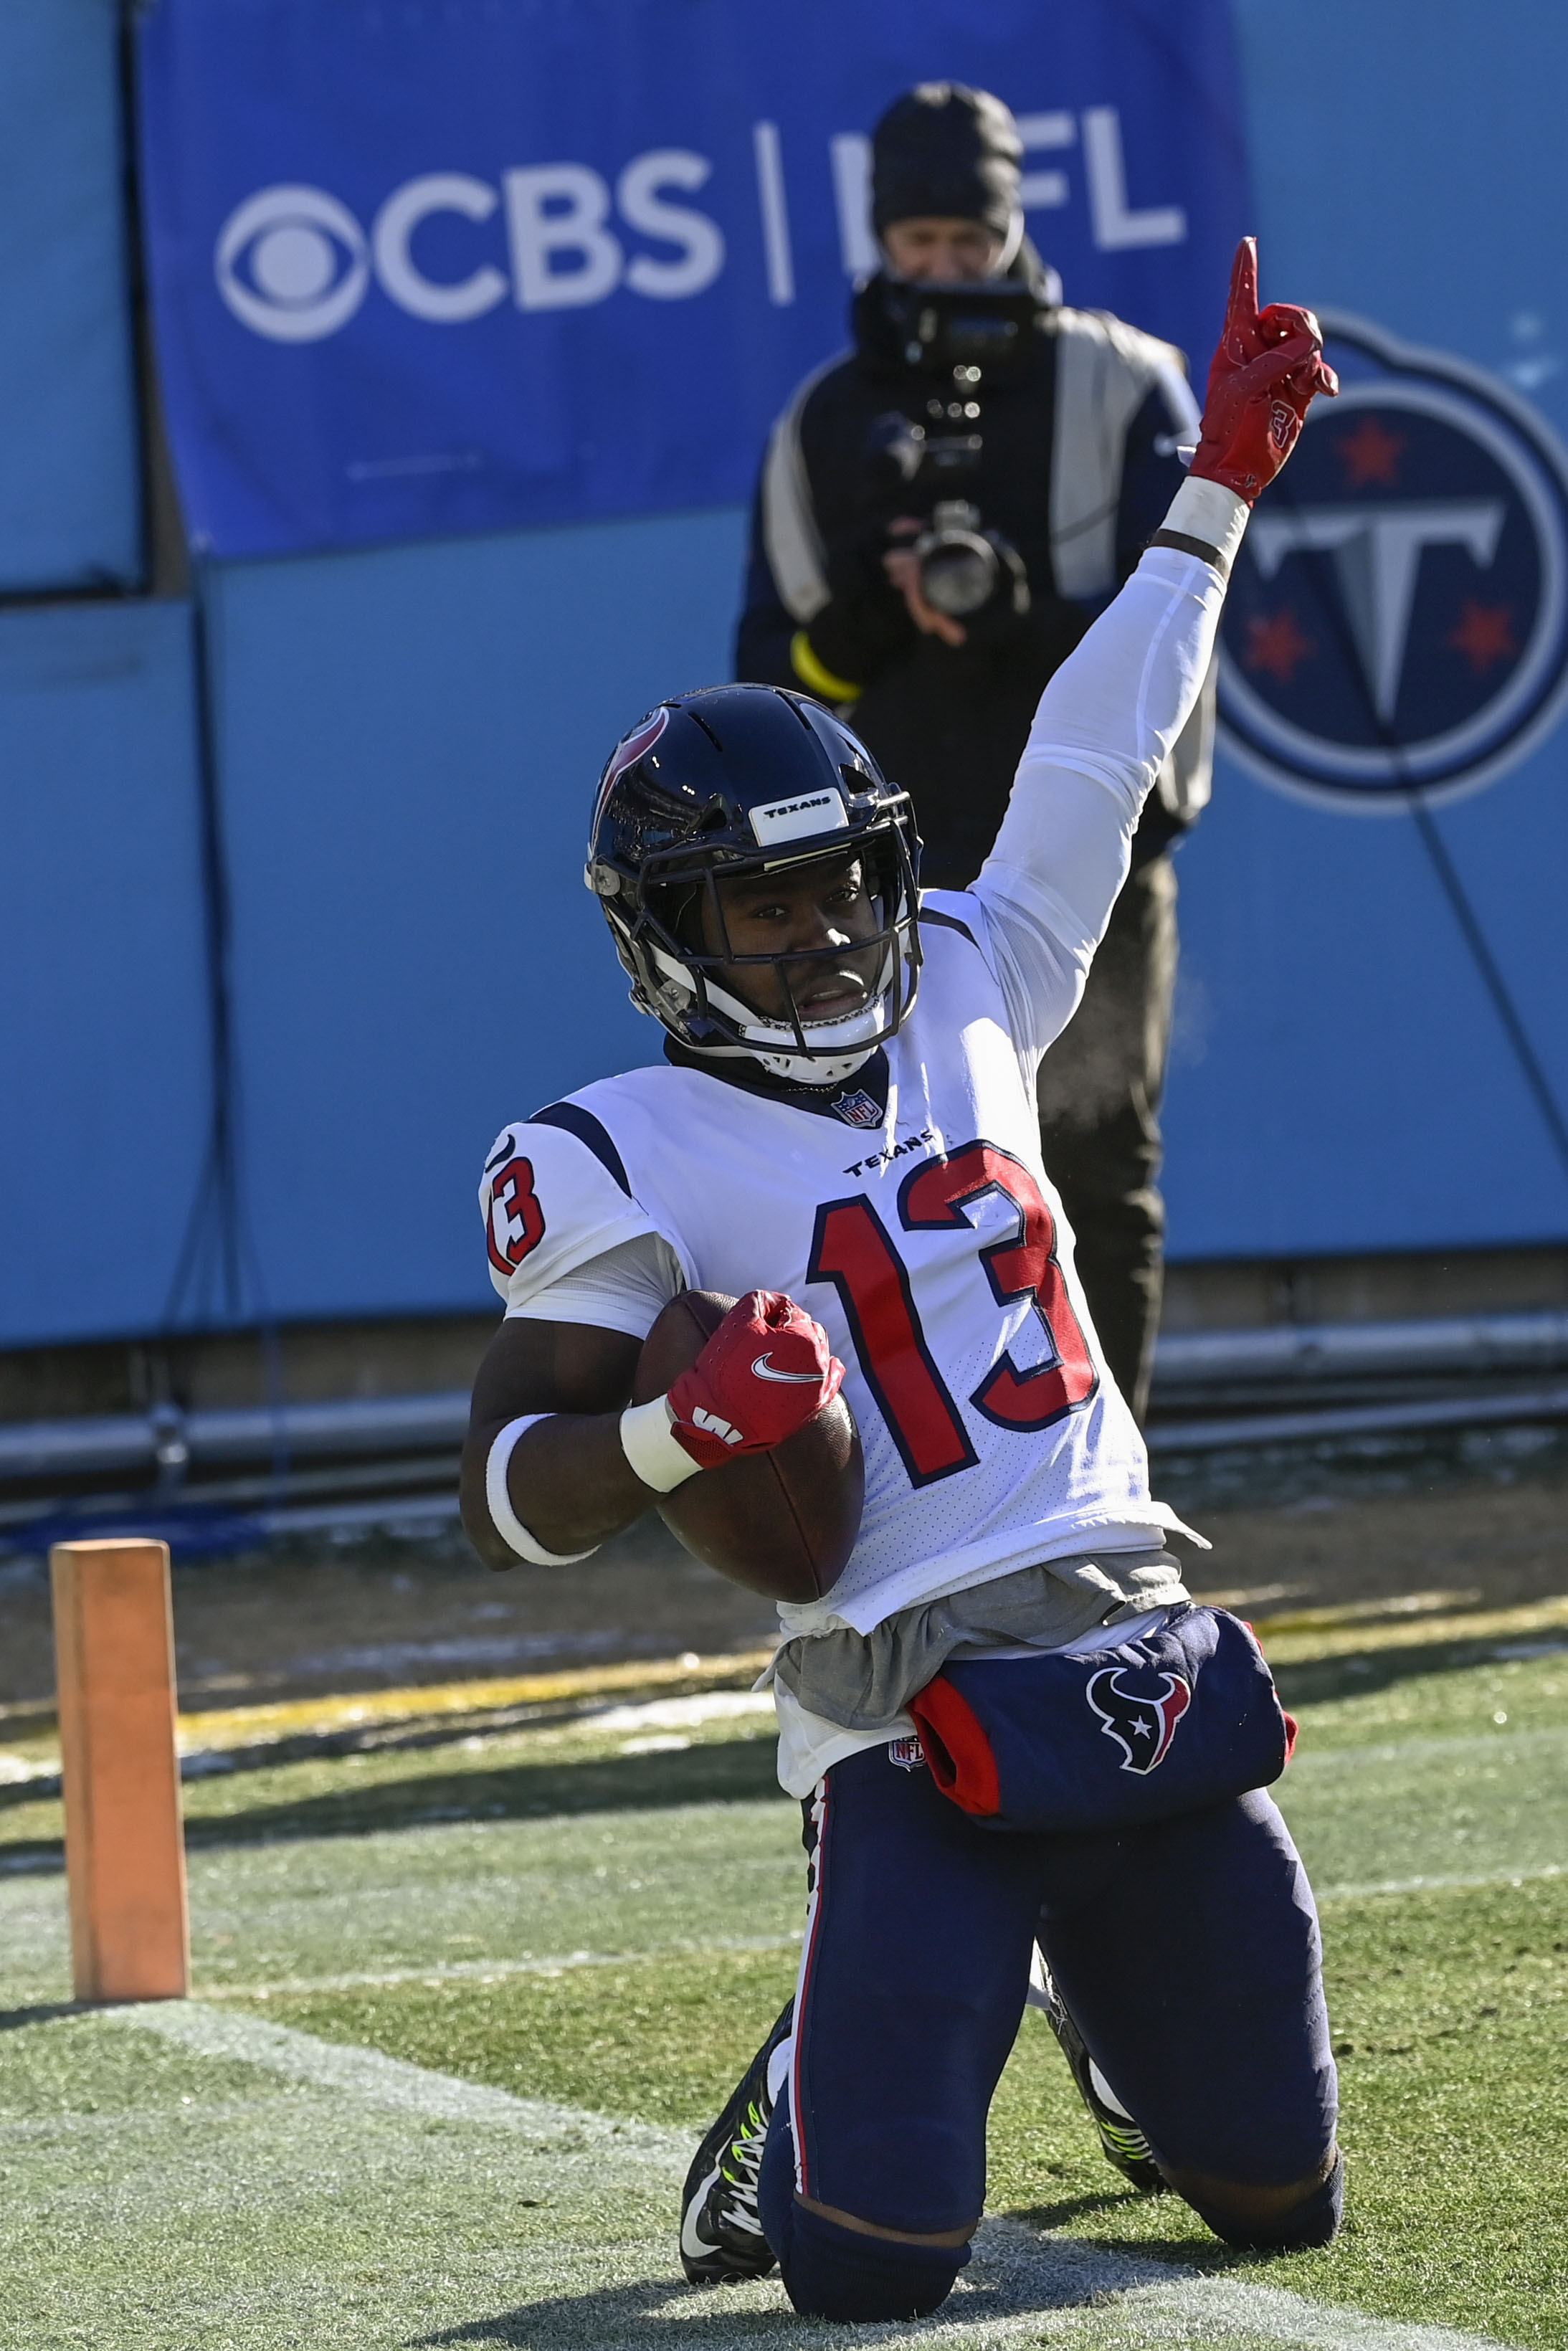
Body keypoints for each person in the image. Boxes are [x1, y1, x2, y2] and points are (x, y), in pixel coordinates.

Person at [462, 243, 1339, 2324]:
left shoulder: (971, 973)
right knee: (867, 2274)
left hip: (1121, 1628)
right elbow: (506, 1482)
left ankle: (1112, 2037)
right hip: (894, 1690)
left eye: (840, 878)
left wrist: (1211, 488)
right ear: (669, 931)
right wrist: (684, 1425)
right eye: (761, 901)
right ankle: (801, 2097)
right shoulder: (614, 1148)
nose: (827, 934)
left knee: (1273, 2196)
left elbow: (1095, 751)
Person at [736, 82, 1214, 1420]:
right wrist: (860, 623)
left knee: (1095, 1170)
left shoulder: (1124, 377)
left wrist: (1016, 617)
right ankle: (939, 1489)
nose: (944, 269)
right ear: (880, 238)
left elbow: (1183, 622)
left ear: (1016, 227)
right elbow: (775, 685)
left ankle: (1109, 1487)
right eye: (919, 243)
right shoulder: (824, 421)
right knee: (892, 1182)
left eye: (971, 239)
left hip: (1092, 864)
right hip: (881, 882)